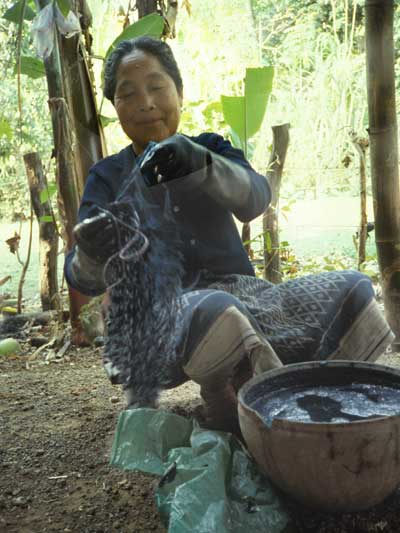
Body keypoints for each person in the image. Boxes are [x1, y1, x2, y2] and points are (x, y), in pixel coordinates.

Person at [65, 36, 394, 434]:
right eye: (128, 93)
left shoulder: (210, 148)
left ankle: (328, 394)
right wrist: (93, 253)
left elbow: (254, 199)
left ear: (179, 93)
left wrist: (202, 164)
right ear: (115, 107)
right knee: (213, 308)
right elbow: (81, 276)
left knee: (353, 289)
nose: (145, 102)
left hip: (247, 300)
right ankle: (250, 407)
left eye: (156, 87)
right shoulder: (107, 177)